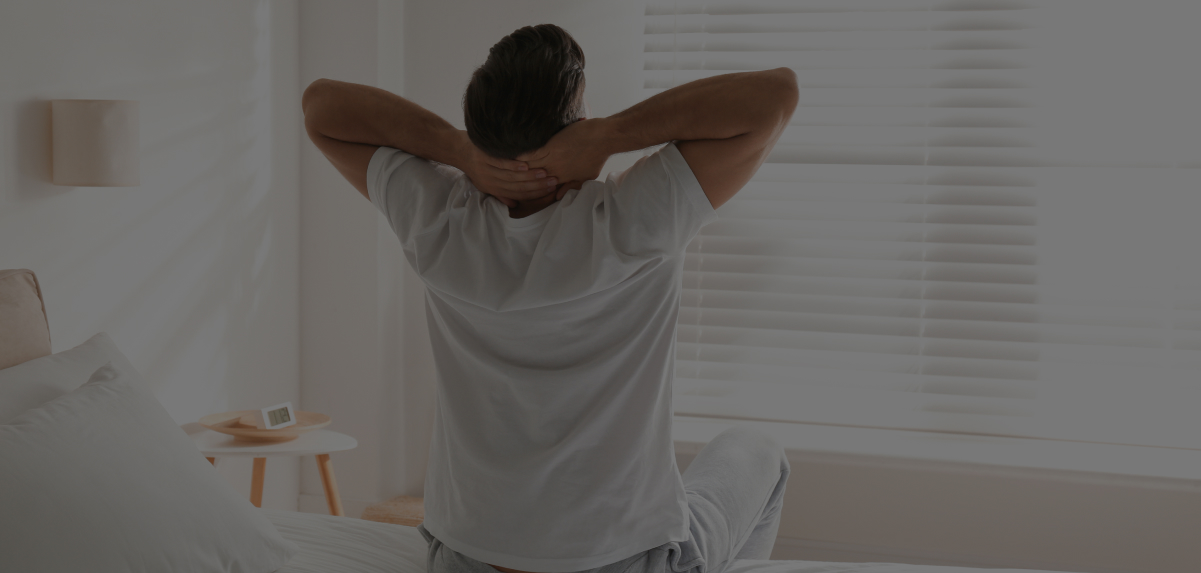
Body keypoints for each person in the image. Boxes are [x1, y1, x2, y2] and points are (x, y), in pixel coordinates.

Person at [302, 23, 798, 573]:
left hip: (466, 560)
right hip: (622, 562)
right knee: (759, 450)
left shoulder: (439, 219)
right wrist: (610, 136)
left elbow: (320, 107)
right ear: (577, 126)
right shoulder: (633, 219)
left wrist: (457, 150)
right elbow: (775, 95)